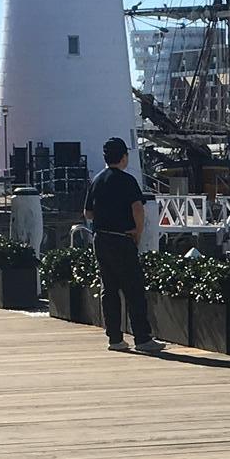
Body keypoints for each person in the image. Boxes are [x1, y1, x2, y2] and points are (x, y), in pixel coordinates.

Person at [83, 137, 162, 354]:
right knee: (134, 288)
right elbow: (138, 208)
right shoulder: (128, 181)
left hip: (101, 238)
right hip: (121, 238)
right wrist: (137, 231)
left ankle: (115, 338)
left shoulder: (97, 181)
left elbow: (88, 213)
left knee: (109, 289)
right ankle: (142, 338)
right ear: (124, 157)